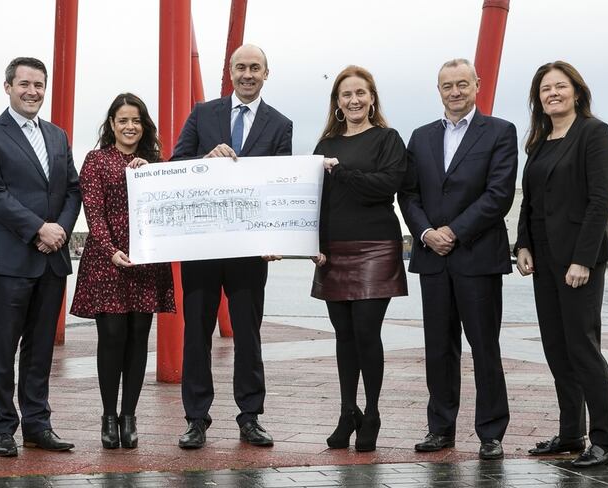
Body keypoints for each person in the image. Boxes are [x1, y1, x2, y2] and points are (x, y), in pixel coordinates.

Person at [170, 44, 293, 449]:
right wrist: (206, 158)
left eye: (255, 67)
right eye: (240, 67)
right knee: (197, 335)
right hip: (203, 246)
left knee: (248, 335)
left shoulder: (281, 124)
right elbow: (175, 163)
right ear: (230, 71)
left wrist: (277, 238)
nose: (247, 74)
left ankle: (250, 416)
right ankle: (194, 418)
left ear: (266, 73)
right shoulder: (204, 114)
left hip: (250, 250)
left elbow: (281, 186)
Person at [399, 58, 518, 461]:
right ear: (439, 90)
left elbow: (499, 194)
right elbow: (408, 195)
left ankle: (490, 432)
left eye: (462, 84)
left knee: (484, 346)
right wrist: (426, 233)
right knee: (438, 347)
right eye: (447, 85)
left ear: (476, 85)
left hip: (478, 256)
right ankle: (440, 428)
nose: (455, 92)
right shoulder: (420, 137)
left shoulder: (501, 132)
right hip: (433, 257)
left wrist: (454, 231)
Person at [0, 57, 82, 457]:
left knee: (40, 349)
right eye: (25, 84)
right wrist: (39, 228)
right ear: (8, 87)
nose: (32, 91)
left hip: (52, 259)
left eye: (39, 85)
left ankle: (38, 424)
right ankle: (1, 427)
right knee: (2, 347)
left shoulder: (58, 135)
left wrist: (62, 230)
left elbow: (72, 190)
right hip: (10, 258)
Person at [515, 61, 608, 467]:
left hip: (579, 260)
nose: (552, 93)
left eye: (560, 86)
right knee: (557, 348)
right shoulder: (539, 142)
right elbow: (530, 200)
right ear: (538, 99)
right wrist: (522, 244)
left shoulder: (594, 133)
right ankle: (572, 432)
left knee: (583, 347)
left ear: (577, 92)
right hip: (543, 258)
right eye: (545, 89)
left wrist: (582, 259)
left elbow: (600, 201)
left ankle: (605, 441)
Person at [70, 94, 175, 449]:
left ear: (143, 125)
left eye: (136, 120)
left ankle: (129, 415)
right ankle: (108, 415)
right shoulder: (96, 160)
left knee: (138, 339)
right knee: (112, 338)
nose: (130, 127)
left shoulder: (155, 164)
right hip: (107, 262)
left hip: (146, 262)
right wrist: (111, 250)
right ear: (111, 124)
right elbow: (93, 212)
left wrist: (154, 174)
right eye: (123, 120)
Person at [311, 66, 407, 452]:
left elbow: (388, 185)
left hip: (376, 247)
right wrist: (312, 244)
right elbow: (313, 201)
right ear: (337, 102)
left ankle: (373, 412)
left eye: (360, 93)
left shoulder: (388, 139)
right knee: (344, 336)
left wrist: (343, 172)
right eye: (346, 94)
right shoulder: (324, 144)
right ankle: (346, 412)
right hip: (333, 249)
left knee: (367, 333)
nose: (353, 100)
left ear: (372, 98)